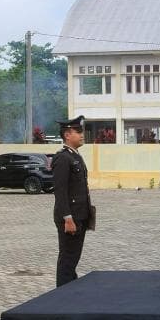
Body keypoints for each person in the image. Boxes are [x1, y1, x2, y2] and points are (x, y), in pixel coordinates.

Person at [52, 115, 91, 287]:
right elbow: (60, 191)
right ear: (67, 135)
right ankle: (62, 297)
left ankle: (70, 290)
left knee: (72, 258)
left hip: (79, 216)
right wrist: (67, 218)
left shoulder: (75, 156)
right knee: (68, 260)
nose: (82, 135)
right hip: (70, 218)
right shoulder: (63, 158)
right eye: (78, 132)